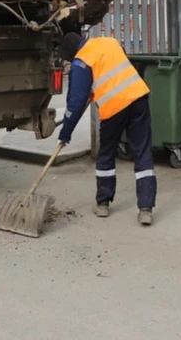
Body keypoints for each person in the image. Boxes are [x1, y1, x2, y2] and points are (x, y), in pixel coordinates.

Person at [56, 32, 156, 226]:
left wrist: (65, 133)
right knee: (142, 152)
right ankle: (146, 209)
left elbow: (75, 104)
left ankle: (103, 203)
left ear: (71, 52)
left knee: (106, 153)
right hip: (138, 99)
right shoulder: (109, 42)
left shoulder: (81, 61)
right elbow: (114, 70)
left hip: (114, 108)